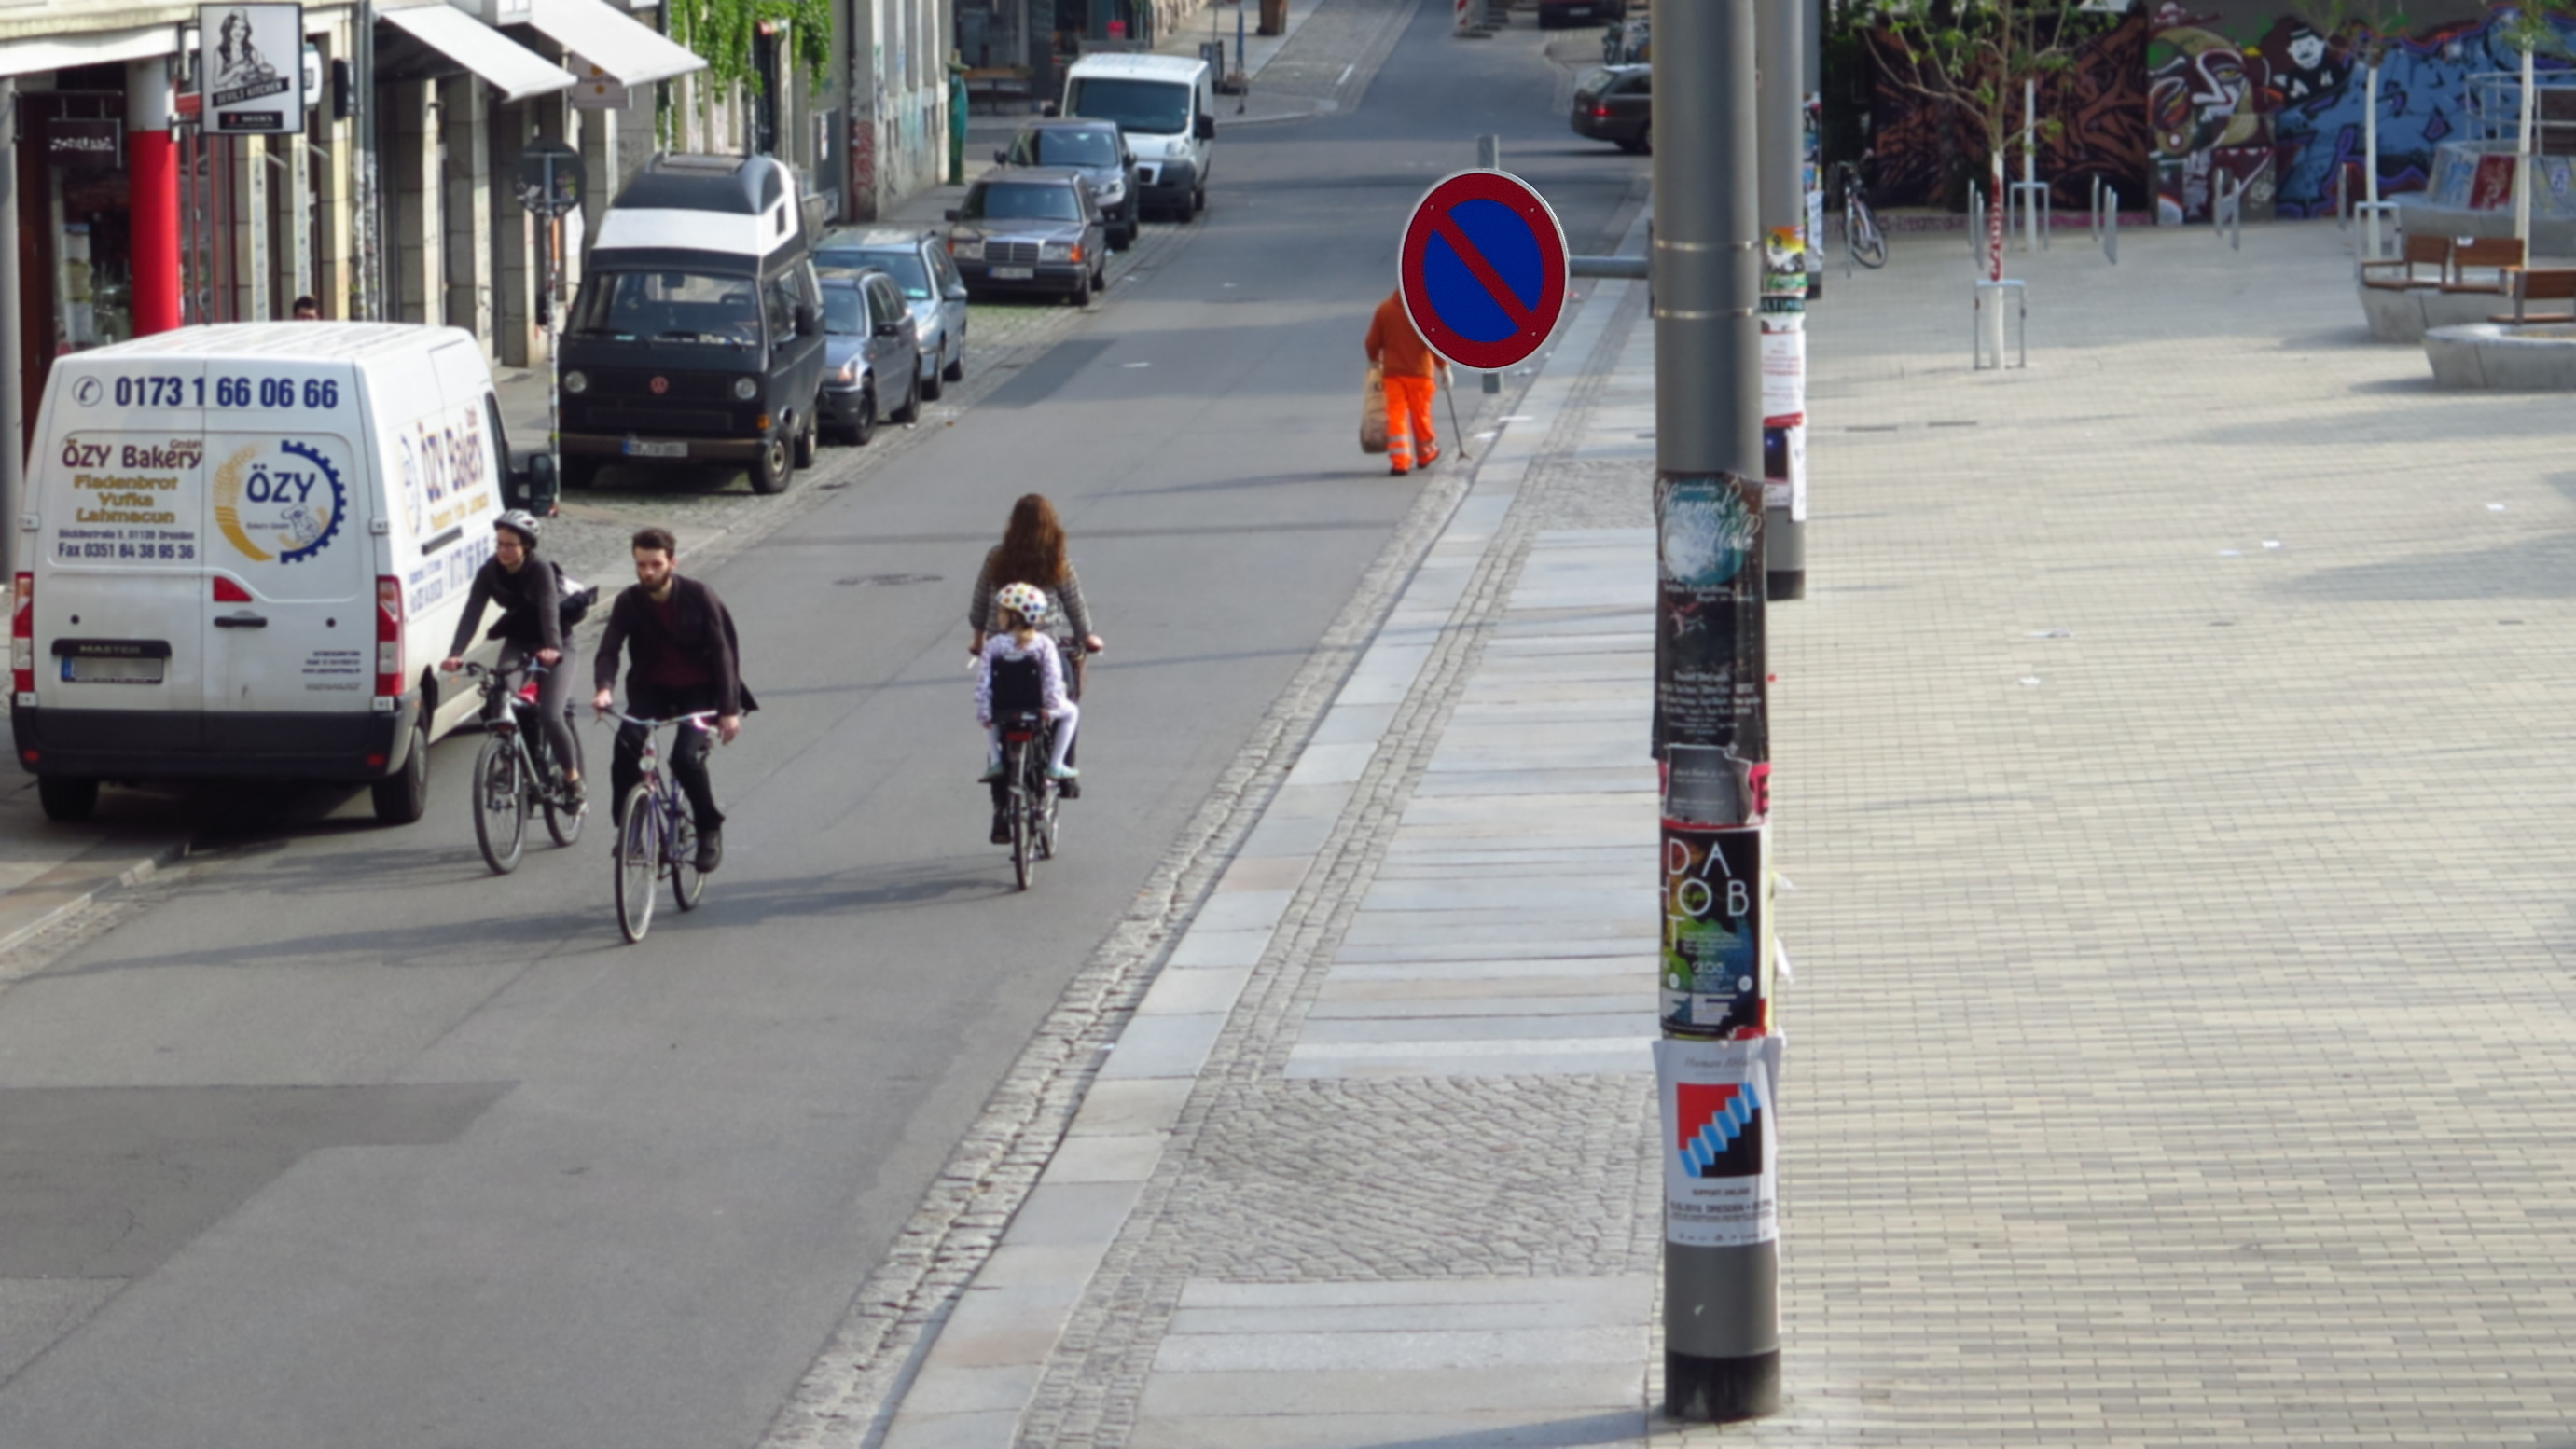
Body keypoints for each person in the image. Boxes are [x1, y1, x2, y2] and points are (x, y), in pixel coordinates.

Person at [591, 527, 753, 872]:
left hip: (700, 691)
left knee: (683, 758)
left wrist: (728, 710)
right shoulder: (629, 601)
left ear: (672, 563)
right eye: (641, 565)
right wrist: (604, 688)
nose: (647, 572)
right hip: (653, 690)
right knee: (625, 745)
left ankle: (708, 827)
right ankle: (629, 827)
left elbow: (725, 653)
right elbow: (609, 649)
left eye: (655, 564)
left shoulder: (699, 595)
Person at [967, 493, 1103, 799]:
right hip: (1048, 644)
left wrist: (979, 640)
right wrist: (1088, 637)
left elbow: (980, 602)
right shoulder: (1057, 560)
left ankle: (1002, 807)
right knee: (1066, 699)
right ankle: (1063, 772)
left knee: (1000, 713)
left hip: (1000, 645)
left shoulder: (996, 557)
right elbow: (1074, 604)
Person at [440, 511, 581, 804]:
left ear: (526, 546)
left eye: (510, 545)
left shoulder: (539, 569)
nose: (503, 550)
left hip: (556, 642)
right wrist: (456, 653)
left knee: (551, 714)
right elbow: (472, 611)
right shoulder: (490, 571)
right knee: (500, 694)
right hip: (519, 641)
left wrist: (552, 648)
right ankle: (507, 762)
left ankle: (572, 779)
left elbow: (548, 611)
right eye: (499, 543)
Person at [976, 584, 1080, 843]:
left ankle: (998, 761)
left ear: (1011, 616)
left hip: (1004, 709)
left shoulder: (994, 645)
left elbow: (984, 683)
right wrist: (1051, 708)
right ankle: (1057, 764)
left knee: (993, 722)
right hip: (1036, 709)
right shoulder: (1044, 644)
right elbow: (1053, 679)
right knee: (1072, 713)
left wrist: (984, 712)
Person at [1365, 289, 1445, 476]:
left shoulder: (1384, 310)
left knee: (1396, 415)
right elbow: (1435, 342)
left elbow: (1371, 342)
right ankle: (1426, 454)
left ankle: (1400, 462)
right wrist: (1444, 367)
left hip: (1393, 373)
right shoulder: (1425, 311)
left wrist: (1374, 359)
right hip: (1421, 373)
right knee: (1421, 416)